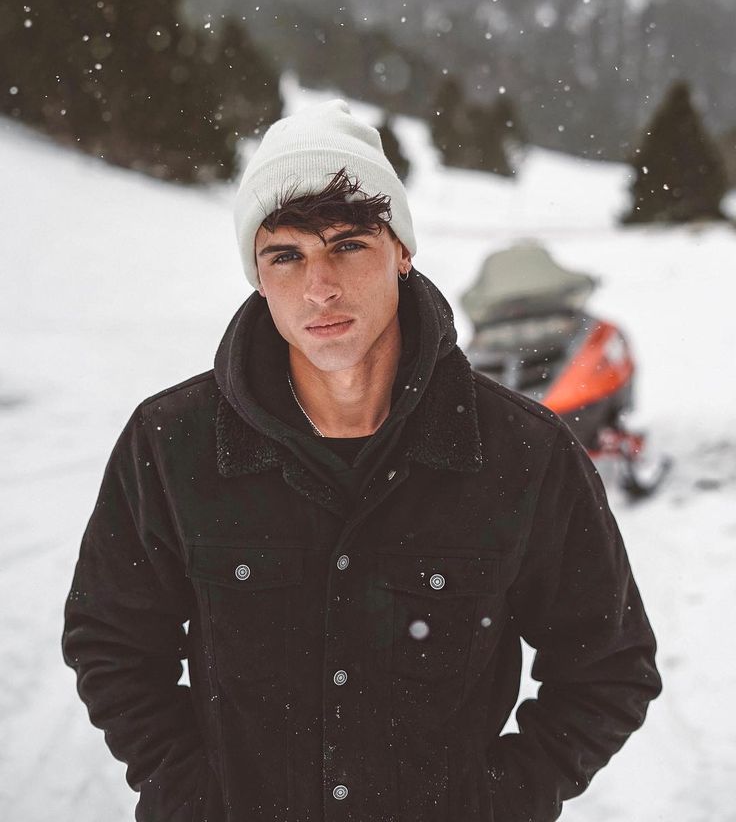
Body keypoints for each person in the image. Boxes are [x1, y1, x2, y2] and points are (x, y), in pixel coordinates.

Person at [62, 100, 661, 822]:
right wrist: (192, 793)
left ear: (401, 252)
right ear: (257, 274)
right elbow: (112, 643)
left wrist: (499, 801)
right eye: (286, 255)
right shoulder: (169, 444)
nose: (320, 287)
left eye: (347, 245)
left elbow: (609, 667)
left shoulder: (523, 453)